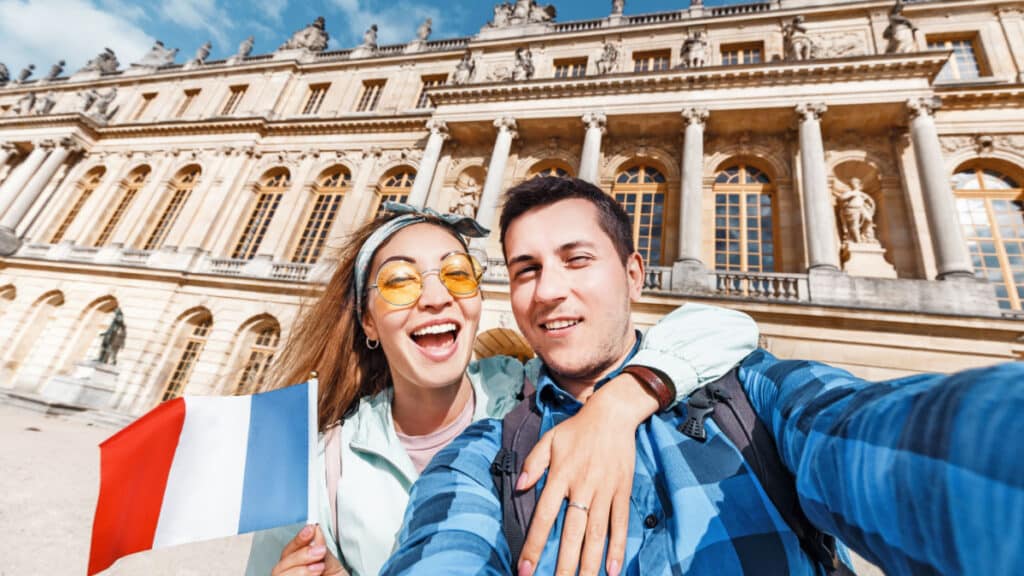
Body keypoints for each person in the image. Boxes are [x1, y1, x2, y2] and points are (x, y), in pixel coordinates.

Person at [382, 177, 1024, 576]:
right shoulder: (483, 456)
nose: (550, 291)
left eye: (578, 260)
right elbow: (444, 552)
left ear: (634, 274)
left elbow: (887, 442)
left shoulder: (758, 394)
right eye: (525, 270)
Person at [245, 203, 760, 575]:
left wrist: (621, 402)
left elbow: (725, 329)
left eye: (457, 275)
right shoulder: (313, 469)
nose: (435, 297)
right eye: (400, 281)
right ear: (367, 322)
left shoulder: (527, 385)